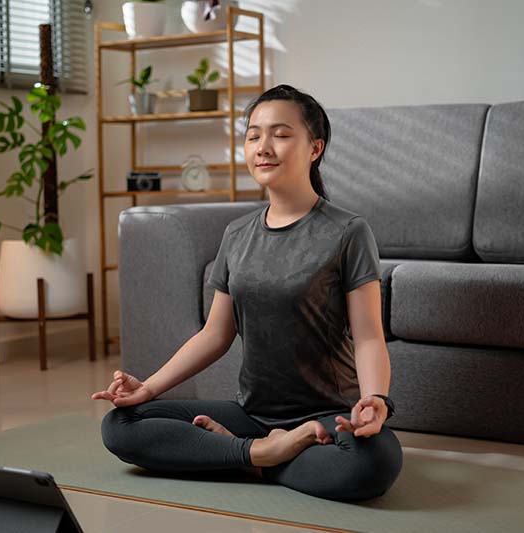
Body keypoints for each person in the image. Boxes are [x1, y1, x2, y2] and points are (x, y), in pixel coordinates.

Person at [92, 84, 403, 501]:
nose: (263, 146)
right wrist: (148, 388)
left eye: (280, 134)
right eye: (254, 135)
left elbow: (368, 335)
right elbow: (214, 335)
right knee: (119, 425)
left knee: (375, 462)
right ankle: (260, 451)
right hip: (251, 416)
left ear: (315, 148)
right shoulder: (237, 235)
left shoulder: (347, 232)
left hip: (326, 418)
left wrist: (373, 399)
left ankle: (246, 459)